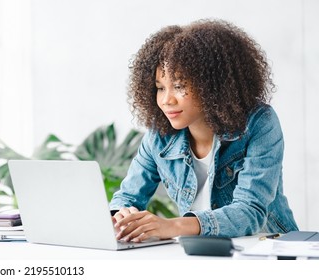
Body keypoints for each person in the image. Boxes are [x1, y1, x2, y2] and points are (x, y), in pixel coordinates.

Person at [109, 19, 298, 242]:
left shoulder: (259, 123)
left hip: (268, 248)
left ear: (212, 85)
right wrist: (121, 215)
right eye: (160, 88)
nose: (166, 100)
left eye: (179, 86)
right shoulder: (159, 134)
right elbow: (128, 197)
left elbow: (250, 212)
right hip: (202, 253)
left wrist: (172, 226)